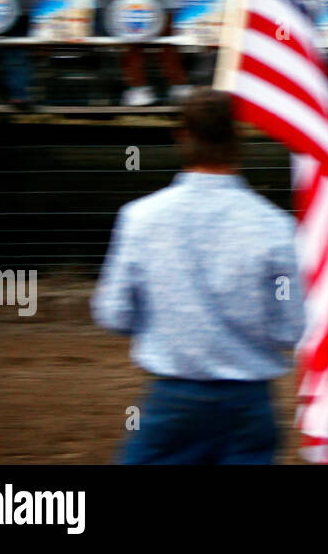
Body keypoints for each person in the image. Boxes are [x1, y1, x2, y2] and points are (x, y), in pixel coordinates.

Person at [92, 88, 304, 465]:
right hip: (248, 405)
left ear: (181, 136)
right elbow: (289, 330)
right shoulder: (276, 227)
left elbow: (113, 313)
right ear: (238, 138)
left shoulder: (140, 219)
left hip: (174, 402)